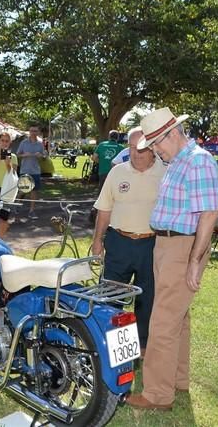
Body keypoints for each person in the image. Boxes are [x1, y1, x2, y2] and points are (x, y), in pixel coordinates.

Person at [126, 107, 218, 411]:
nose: (154, 150)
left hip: (181, 247)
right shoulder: (178, 161)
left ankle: (156, 395)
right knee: (178, 318)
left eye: (155, 144)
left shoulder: (198, 160)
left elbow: (209, 213)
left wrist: (194, 260)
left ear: (173, 133)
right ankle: (176, 381)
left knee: (163, 322)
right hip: (166, 245)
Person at [91, 127, 165, 354]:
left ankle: (141, 347)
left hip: (151, 245)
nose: (135, 153)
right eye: (131, 147)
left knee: (147, 299)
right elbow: (104, 209)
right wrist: (97, 241)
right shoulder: (117, 172)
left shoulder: (166, 174)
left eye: (141, 148)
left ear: (153, 148)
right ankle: (114, 346)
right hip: (119, 242)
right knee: (111, 295)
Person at [16, 125, 45, 219]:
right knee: (23, 190)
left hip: (35, 171)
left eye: (35, 131)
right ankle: (17, 204)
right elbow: (18, 154)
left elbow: (44, 156)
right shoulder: (23, 143)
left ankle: (31, 211)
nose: (33, 133)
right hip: (25, 170)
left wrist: (40, 155)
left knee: (34, 191)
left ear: (38, 132)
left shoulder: (40, 144)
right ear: (29, 131)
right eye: (32, 131)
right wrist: (24, 155)